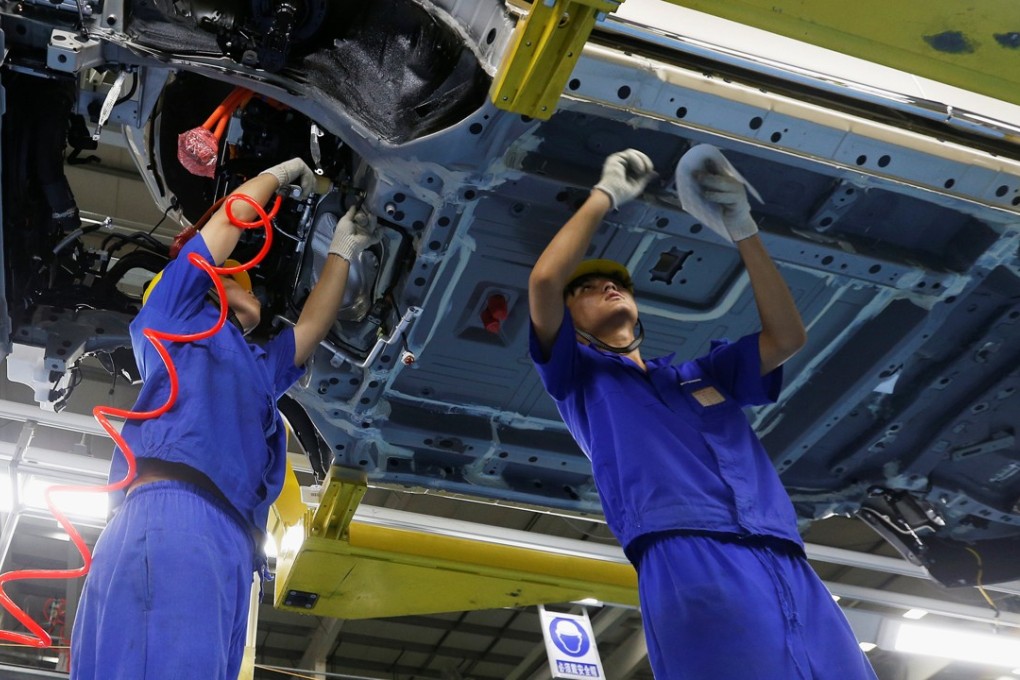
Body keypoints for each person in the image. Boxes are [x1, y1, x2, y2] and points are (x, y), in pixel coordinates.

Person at [528, 147, 878, 679]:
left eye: (617, 284)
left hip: (783, 553)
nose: (607, 286)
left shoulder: (700, 375)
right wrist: (606, 195)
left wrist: (743, 228)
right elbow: (544, 283)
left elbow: (787, 337)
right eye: (588, 289)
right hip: (687, 552)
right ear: (569, 324)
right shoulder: (579, 380)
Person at [69, 158, 375, 679]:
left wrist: (343, 252)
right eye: (243, 280)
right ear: (215, 284)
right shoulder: (172, 320)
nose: (253, 287)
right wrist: (277, 176)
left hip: (231, 545)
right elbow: (227, 225)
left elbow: (312, 326)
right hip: (175, 517)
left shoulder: (256, 369)